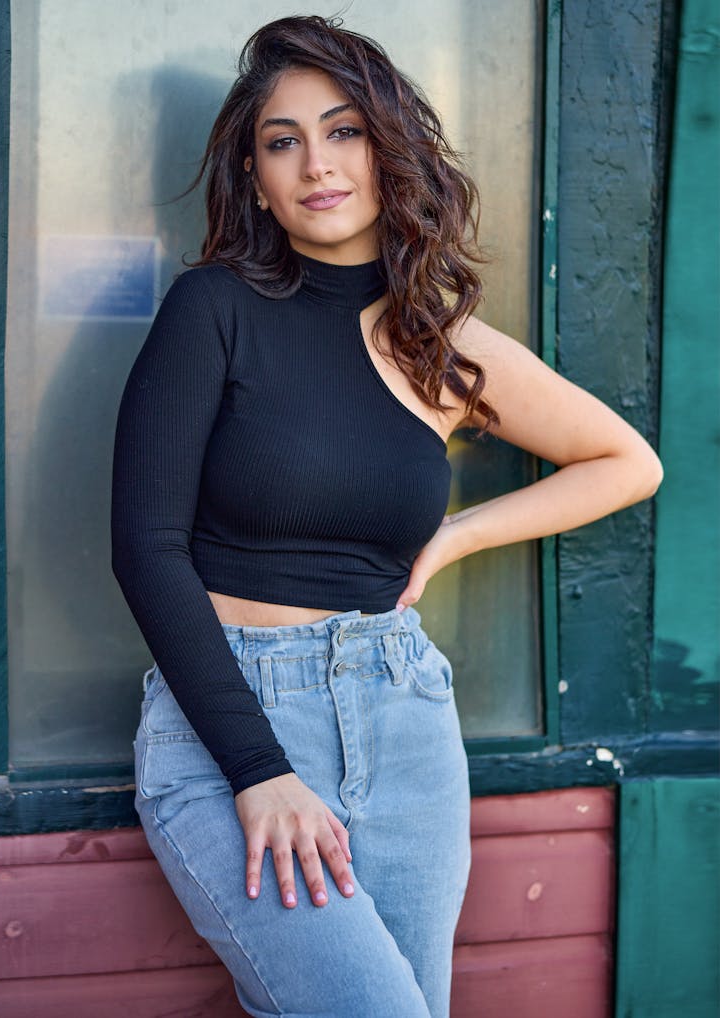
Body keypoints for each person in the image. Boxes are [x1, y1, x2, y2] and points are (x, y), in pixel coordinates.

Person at [110, 14, 663, 1018]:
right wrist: (257, 768)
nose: (317, 164)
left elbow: (627, 461)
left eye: (345, 130)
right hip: (234, 719)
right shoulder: (214, 311)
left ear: (388, 147)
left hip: (403, 717)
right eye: (284, 141)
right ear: (256, 171)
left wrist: (453, 536)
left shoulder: (438, 344)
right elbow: (146, 550)